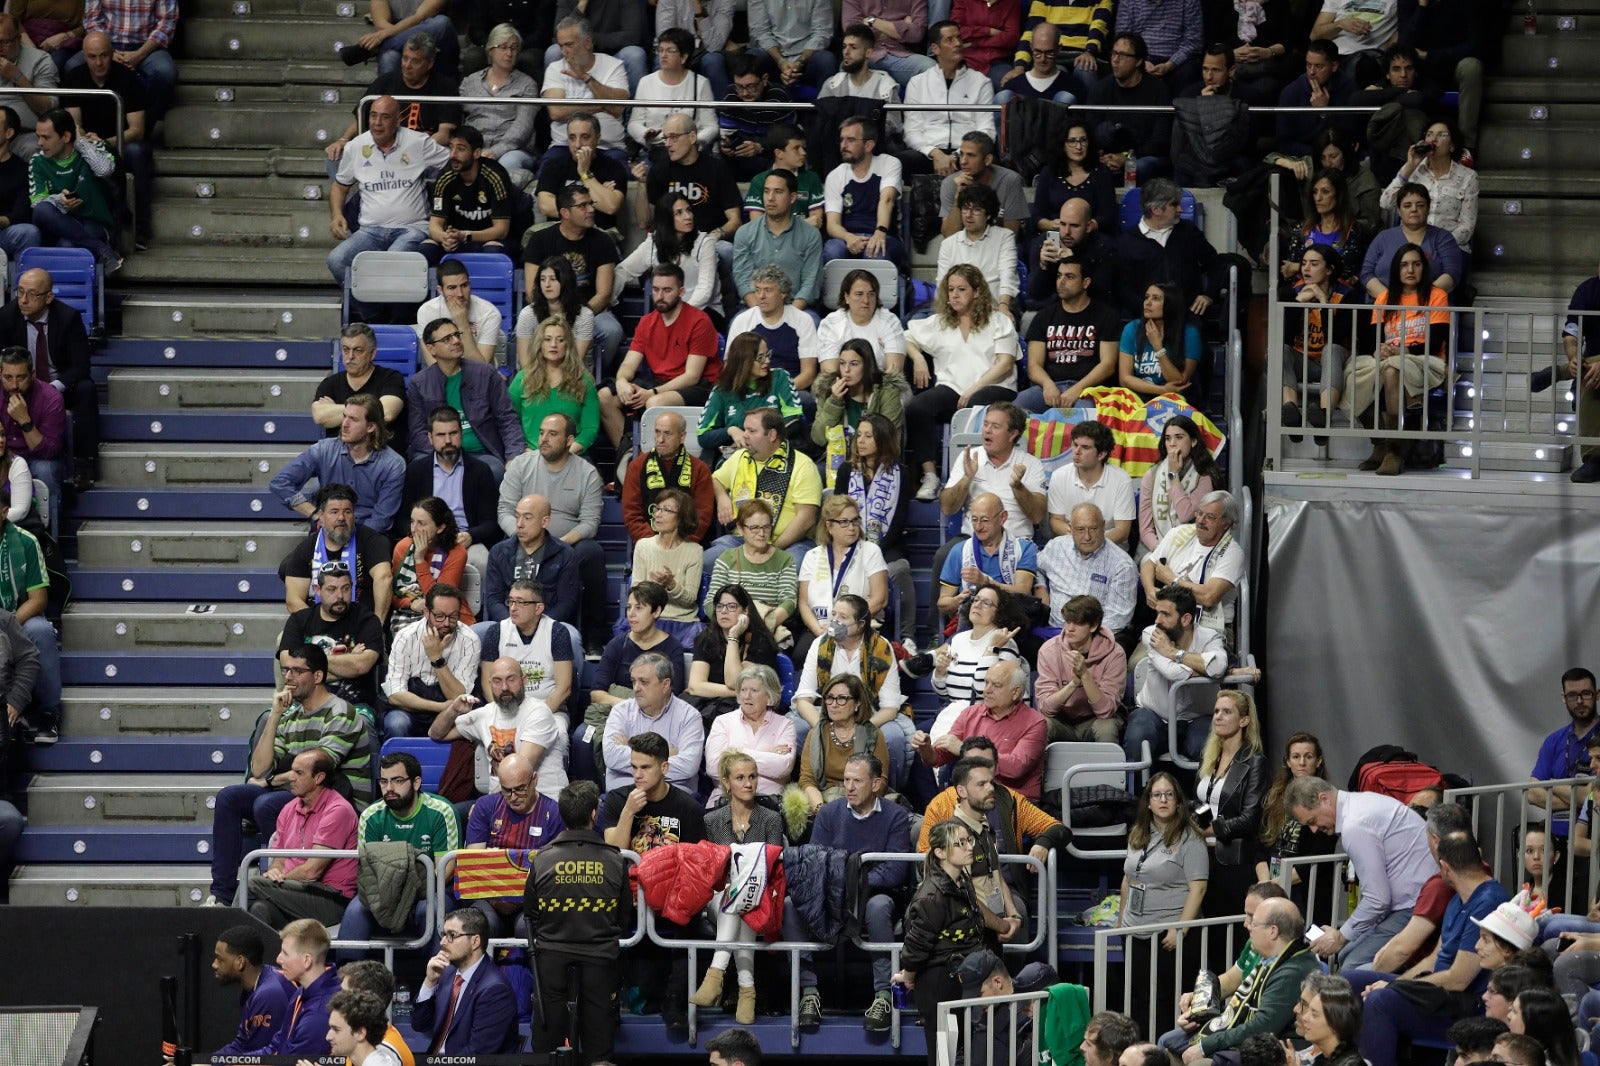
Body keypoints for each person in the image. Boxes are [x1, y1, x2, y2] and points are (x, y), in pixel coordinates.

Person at [206, 645, 371, 906]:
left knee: (266, 803)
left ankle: (279, 888)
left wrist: (272, 780)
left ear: (318, 676)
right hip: (298, 793)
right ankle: (221, 895)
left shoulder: (341, 712)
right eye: (286, 670)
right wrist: (274, 715)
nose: (289, 677)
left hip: (335, 801)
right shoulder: (290, 716)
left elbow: (318, 769)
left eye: (297, 671)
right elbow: (260, 768)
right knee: (229, 797)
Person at [1344, 831, 1514, 1066]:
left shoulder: (1489, 901)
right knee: (1350, 981)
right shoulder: (1457, 900)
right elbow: (1433, 959)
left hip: (1465, 1004)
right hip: (1438, 993)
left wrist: (1396, 985)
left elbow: (1459, 979)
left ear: (1445, 867)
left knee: (1380, 1001)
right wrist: (1399, 982)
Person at [784, 751, 911, 1031]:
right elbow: (816, 863)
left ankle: (883, 995)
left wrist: (854, 885)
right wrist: (843, 886)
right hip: (833, 892)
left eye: (857, 781)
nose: (849, 787)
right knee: (791, 905)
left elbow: (895, 871)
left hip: (877, 892)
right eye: (846, 780)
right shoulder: (829, 812)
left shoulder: (897, 816)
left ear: (876, 784)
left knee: (878, 908)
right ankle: (808, 992)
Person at [526, 780, 631, 1066]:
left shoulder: (543, 859)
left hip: (550, 959)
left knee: (547, 1051)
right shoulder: (615, 860)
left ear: (562, 815)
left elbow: (530, 913)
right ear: (594, 814)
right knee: (600, 1053)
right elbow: (624, 918)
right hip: (601, 959)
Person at [1286, 775, 1436, 968]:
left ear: (1325, 799)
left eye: (1313, 820)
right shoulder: (1360, 803)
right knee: (1345, 955)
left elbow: (1377, 899)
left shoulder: (1354, 826)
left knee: (1351, 967)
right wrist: (1343, 937)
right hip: (1410, 900)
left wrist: (1340, 937)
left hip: (1416, 904)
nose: (1314, 830)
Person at [495, 413, 608, 655]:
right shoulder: (521, 465)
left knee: (592, 552)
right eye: (542, 432)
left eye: (553, 434)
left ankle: (593, 639)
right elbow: (504, 509)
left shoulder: (587, 473)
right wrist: (521, 534)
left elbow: (590, 522)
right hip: (521, 539)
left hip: (565, 546)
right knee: (500, 550)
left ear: (569, 440)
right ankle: (507, 627)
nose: (544, 439)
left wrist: (557, 544)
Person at [905, 267, 1023, 498]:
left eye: (961, 289)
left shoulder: (998, 321)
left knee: (977, 405)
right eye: (950, 290)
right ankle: (930, 476)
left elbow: (1005, 364)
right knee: (916, 408)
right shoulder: (940, 323)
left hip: (996, 388)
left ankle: (974, 475)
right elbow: (906, 336)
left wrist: (973, 388)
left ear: (977, 292)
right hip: (953, 388)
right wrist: (918, 357)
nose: (954, 296)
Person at [893, 819, 1003, 1064]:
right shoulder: (932, 895)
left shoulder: (962, 882)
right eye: (960, 843)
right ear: (940, 852)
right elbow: (916, 947)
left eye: (969, 840)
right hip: (939, 983)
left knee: (965, 1054)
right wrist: (908, 976)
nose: (968, 847)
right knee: (943, 1057)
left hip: (961, 979)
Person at [1158, 896, 1317, 1063]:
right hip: (1251, 1038)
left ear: (1273, 931)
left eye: (1254, 923)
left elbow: (1262, 1026)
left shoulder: (1293, 971)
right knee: (1166, 1043)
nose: (1246, 925)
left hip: (1271, 1050)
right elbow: (1230, 981)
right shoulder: (1273, 957)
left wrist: (1207, 1045)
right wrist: (1198, 1004)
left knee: (1198, 1062)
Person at [694, 749, 785, 1024]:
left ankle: (717, 975)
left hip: (759, 896)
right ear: (726, 782)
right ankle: (747, 991)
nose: (749, 784)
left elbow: (772, 867)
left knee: (739, 902)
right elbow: (709, 871)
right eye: (741, 778)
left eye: (753, 777)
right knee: (730, 900)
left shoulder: (771, 819)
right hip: (719, 897)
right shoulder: (711, 820)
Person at [325, 95, 451, 288]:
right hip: (369, 231)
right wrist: (336, 215)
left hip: (411, 229)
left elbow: (453, 164)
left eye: (384, 117)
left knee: (390, 263)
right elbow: (339, 186)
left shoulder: (417, 142)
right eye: (373, 116)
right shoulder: (356, 147)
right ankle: (370, 313)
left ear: (397, 119)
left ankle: (382, 311)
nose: (377, 123)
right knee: (336, 260)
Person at [339, 751, 460, 947]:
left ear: (416, 783)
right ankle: (347, 975)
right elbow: (366, 872)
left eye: (397, 781)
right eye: (383, 782)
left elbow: (444, 873)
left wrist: (406, 890)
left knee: (431, 911)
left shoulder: (442, 812)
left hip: (429, 891)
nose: (389, 788)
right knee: (355, 912)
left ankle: (435, 976)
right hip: (383, 890)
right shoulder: (371, 816)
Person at [1352, 242, 1452, 476]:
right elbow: (1372, 340)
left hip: (1427, 361)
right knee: (1353, 372)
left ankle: (1394, 449)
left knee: (1390, 371)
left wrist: (1399, 352)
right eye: (1404, 265)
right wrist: (1379, 351)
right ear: (1396, 270)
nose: (1410, 270)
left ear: (1423, 268)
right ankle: (1380, 443)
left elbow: (1435, 343)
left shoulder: (1436, 296)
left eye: (1416, 264)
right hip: (1390, 357)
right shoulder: (1385, 298)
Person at [1118, 773, 1209, 1028]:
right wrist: (1120, 922)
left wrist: (1180, 928)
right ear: (1148, 802)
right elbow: (1128, 879)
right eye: (1157, 795)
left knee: (1168, 1001)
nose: (1163, 800)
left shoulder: (1190, 838)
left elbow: (1198, 888)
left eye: (1169, 794)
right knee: (1140, 998)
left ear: (1178, 801)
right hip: (1135, 928)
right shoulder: (1138, 833)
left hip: (1170, 935)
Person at [599, 262, 721, 449]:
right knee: (605, 397)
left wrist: (652, 393)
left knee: (656, 402)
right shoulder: (647, 322)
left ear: (681, 292)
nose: (660, 296)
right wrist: (622, 381)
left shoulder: (699, 321)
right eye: (656, 290)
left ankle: (652, 462)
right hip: (660, 383)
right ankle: (629, 454)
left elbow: (692, 376)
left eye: (667, 290)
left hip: (699, 387)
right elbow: (628, 364)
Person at [244, 748, 359, 927]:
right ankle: (259, 955)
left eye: (299, 773)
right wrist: (275, 871)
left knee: (251, 885)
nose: (290, 777)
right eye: (292, 771)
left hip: (330, 899)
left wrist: (279, 880)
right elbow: (279, 861)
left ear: (318, 778)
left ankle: (225, 948)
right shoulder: (289, 809)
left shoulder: (338, 810)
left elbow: (312, 872)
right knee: (260, 908)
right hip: (295, 892)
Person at [521, 183, 624, 375]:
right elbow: (532, 292)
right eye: (583, 206)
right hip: (547, 310)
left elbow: (604, 294)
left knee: (612, 331)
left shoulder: (602, 240)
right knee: (527, 322)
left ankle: (594, 376)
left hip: (589, 311)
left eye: (591, 204)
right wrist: (554, 318)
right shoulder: (540, 240)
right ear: (565, 213)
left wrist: (575, 316)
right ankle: (537, 378)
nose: (591, 210)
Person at [1121, 583, 1228, 766]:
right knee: (1137, 737)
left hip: (1198, 718)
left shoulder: (1210, 637)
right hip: (1154, 715)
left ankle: (1203, 794)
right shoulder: (1152, 634)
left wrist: (1174, 653)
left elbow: (1218, 667)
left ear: (1185, 619)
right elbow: (1172, 672)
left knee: (1205, 747)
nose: (1157, 620)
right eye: (1157, 613)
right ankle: (1135, 794)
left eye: (1166, 614)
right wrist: (1205, 669)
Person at [432, 656, 568, 799]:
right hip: (501, 803)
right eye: (497, 681)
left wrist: (486, 806)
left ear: (524, 681)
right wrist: (453, 710)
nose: (504, 687)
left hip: (542, 800)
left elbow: (519, 772)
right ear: (490, 684)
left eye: (511, 679)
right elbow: (436, 733)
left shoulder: (539, 712)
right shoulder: (485, 714)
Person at [406, 318, 524, 480]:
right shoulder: (419, 383)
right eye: (447, 339)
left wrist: (513, 457)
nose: (455, 341)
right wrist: (442, 453)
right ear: (431, 349)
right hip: (437, 453)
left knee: (494, 471)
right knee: (419, 472)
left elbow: (507, 419)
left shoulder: (486, 374)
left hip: (482, 455)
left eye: (456, 335)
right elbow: (418, 431)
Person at [462, 754, 565, 938]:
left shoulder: (554, 813)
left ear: (534, 780)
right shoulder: (485, 807)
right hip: (489, 898)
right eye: (506, 790)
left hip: (533, 899)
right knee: (482, 925)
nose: (513, 797)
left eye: (520, 789)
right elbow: (474, 864)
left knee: (525, 927)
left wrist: (519, 899)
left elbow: (554, 872)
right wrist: (494, 897)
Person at [272, 395, 406, 535]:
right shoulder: (324, 450)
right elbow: (280, 483)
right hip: (327, 532)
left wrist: (350, 541)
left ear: (371, 427)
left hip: (367, 537)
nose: (344, 424)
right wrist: (315, 514)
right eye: (344, 416)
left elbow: (381, 520)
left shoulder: (393, 465)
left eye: (353, 419)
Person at [62, 34, 148, 253]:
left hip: (119, 141)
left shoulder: (127, 78)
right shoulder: (74, 77)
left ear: (112, 54)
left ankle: (138, 229)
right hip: (86, 143)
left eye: (103, 56)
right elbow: (74, 125)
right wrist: (84, 140)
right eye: (92, 57)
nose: (98, 63)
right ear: (84, 56)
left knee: (138, 152)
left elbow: (137, 130)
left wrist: (105, 143)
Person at [919, 657, 1048, 799]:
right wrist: (926, 749)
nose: (987, 690)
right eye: (986, 683)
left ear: (1015, 692)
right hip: (971, 798)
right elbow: (939, 758)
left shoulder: (1035, 723)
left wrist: (965, 750)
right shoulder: (970, 713)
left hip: (1013, 799)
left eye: (996, 685)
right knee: (938, 809)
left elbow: (1015, 768)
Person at [707, 406, 822, 564]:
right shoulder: (740, 457)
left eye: (752, 431)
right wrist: (722, 498)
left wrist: (771, 550)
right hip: (741, 540)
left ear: (772, 435)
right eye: (744, 429)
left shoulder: (802, 465)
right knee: (706, 561)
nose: (744, 435)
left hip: (788, 544)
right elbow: (715, 479)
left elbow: (806, 519)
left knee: (793, 566)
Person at [400, 405, 501, 576]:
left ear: (461, 435)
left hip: (465, 540)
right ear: (430, 438)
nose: (448, 440)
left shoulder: (480, 471)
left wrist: (471, 536)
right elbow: (402, 519)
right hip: (425, 540)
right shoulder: (416, 471)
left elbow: (491, 523)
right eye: (440, 435)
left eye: (453, 433)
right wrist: (421, 534)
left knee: (482, 561)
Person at [1195, 690, 1268, 918]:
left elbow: (1250, 819)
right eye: (1216, 711)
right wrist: (1196, 821)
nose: (1218, 716)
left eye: (1227, 712)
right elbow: (1203, 802)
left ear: (1244, 720)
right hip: (1202, 856)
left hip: (1234, 861)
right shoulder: (1209, 756)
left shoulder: (1255, 762)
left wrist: (1211, 829)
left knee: (1232, 933)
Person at [1017, 255, 1120, 414]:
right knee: (1012, 411)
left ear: (1085, 282)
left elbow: (1107, 366)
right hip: (1050, 387)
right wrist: (1047, 384)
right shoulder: (1044, 317)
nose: (1061, 281)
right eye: (1059, 276)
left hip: (1088, 391)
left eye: (1069, 277)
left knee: (1085, 418)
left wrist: (1078, 389)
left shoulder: (1105, 316)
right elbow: (1033, 365)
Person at [1139, 490, 1245, 646]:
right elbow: (1149, 563)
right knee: (1137, 664)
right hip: (1172, 622)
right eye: (1199, 513)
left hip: (1210, 628)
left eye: (1209, 517)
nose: (1201, 520)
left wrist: (1172, 580)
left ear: (1227, 523)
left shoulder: (1232, 553)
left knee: (1189, 666)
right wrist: (1149, 589)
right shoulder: (1180, 533)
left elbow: (1209, 597)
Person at [793, 495, 888, 666]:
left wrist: (848, 626)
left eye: (855, 521)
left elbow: (879, 599)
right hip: (820, 628)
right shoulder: (812, 556)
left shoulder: (870, 551)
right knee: (802, 655)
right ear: (829, 525)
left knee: (856, 657)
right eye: (844, 522)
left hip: (859, 626)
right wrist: (819, 630)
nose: (851, 527)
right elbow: (804, 603)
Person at [412, 907, 521, 1054]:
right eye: (443, 934)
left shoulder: (495, 990)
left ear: (475, 941)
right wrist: (430, 982)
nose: (443, 942)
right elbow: (420, 1025)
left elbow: (476, 1055)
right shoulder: (447, 973)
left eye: (452, 935)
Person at [278, 563, 385, 712]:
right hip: (302, 703)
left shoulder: (367, 620)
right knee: (267, 719)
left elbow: (361, 665)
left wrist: (307, 667)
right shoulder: (299, 620)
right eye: (332, 589)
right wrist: (348, 660)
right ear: (318, 590)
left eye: (345, 588)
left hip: (355, 706)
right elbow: (289, 666)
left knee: (363, 725)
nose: (340, 596)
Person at [278, 485, 394, 620]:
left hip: (362, 624)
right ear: (321, 515)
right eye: (334, 512)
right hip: (318, 625)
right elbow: (294, 600)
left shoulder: (372, 540)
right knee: (283, 639)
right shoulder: (307, 548)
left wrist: (376, 626)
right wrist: (318, 626)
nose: (341, 517)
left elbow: (384, 578)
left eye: (347, 511)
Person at [382, 581, 481, 737]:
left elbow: (458, 697)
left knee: (467, 722)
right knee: (396, 723)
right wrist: (440, 707)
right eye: (440, 616)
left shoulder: (470, 640)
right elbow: (395, 695)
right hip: (410, 711)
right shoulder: (405, 637)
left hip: (451, 714)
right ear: (427, 612)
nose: (447, 623)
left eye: (453, 617)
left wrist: (437, 658)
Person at [1279, 245, 1357, 436]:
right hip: (1304, 361)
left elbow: (1337, 337)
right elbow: (1283, 335)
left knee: (1330, 349)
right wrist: (1297, 303)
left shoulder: (1346, 294)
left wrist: (1324, 303)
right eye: (1304, 263)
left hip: (1338, 362)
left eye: (1314, 264)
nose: (1306, 269)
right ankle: (1291, 412)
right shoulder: (1293, 291)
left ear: (1329, 269)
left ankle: (1324, 415)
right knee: (1278, 350)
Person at [934, 494, 1039, 634]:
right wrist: (957, 601)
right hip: (971, 622)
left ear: (1002, 518)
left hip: (1009, 622)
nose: (978, 527)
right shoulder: (959, 551)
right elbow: (942, 603)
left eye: (984, 520)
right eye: (974, 520)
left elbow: (1023, 591)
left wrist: (985, 581)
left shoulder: (1023, 548)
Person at [30, 107, 118, 273]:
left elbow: (105, 170)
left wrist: (81, 143)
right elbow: (37, 203)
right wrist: (60, 201)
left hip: (94, 223)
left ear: (66, 136)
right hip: (59, 225)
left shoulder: (91, 148)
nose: (39, 143)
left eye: (46, 137)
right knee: (42, 209)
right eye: (38, 136)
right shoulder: (37, 161)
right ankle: (101, 248)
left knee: (68, 245)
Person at [600, 653, 704, 793]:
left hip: (672, 798)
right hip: (624, 794)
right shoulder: (621, 711)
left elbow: (688, 766)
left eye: (644, 682)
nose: (636, 688)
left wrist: (632, 750)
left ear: (665, 684)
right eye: (633, 681)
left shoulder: (689, 716)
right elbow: (612, 756)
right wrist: (667, 753)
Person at [903, 22, 996, 176]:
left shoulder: (981, 82)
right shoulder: (918, 83)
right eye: (950, 40)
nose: (958, 43)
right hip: (929, 152)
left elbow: (987, 130)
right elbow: (911, 131)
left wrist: (958, 155)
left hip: (967, 152)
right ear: (935, 48)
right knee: (899, 162)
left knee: (990, 163)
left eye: (959, 38)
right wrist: (935, 153)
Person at [475, 577, 575, 719]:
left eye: (521, 602)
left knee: (556, 737)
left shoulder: (557, 632)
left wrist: (536, 717)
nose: (513, 608)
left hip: (549, 711)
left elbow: (563, 689)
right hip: (504, 711)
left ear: (538, 608)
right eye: (511, 601)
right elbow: (487, 683)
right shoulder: (496, 632)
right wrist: (503, 715)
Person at [539, 16, 631, 167]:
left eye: (569, 45)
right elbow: (556, 112)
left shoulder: (613, 66)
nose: (564, 51)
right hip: (563, 147)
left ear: (587, 42)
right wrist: (599, 105)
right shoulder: (555, 69)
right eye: (561, 46)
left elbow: (617, 107)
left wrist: (585, 77)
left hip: (608, 148)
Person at [1034, 593, 1127, 742]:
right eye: (1068, 622)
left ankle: (1109, 766)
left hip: (1096, 720)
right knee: (1041, 725)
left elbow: (1105, 711)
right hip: (1062, 721)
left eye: (1077, 623)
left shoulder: (1115, 654)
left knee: (1107, 727)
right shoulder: (1049, 650)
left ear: (1093, 626)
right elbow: (1046, 708)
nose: (1069, 628)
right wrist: (1073, 684)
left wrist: (1085, 675)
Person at [614, 190, 721, 320]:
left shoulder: (705, 243)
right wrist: (607, 301)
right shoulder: (653, 242)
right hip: (667, 312)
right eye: (679, 213)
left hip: (703, 311)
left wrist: (678, 315)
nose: (688, 216)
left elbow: (705, 290)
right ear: (666, 218)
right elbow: (623, 271)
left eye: (689, 210)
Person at [636, 112, 742, 239]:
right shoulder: (659, 169)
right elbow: (644, 222)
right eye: (665, 138)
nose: (667, 144)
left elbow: (735, 221)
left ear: (692, 137)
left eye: (674, 137)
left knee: (726, 250)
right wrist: (642, 184)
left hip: (710, 241)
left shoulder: (717, 168)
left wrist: (710, 238)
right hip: (671, 243)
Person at [420, 129, 513, 272]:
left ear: (476, 153)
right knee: (426, 249)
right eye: (451, 147)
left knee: (493, 252)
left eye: (461, 149)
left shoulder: (495, 177)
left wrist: (466, 236)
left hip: (488, 239)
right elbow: (435, 225)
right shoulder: (445, 177)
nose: (453, 155)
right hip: (457, 239)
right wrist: (445, 238)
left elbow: (501, 230)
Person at [482, 494, 580, 630]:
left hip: (549, 626)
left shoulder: (565, 554)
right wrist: (511, 625)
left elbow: (566, 602)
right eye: (517, 517)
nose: (519, 524)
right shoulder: (499, 552)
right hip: (507, 625)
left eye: (527, 518)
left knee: (572, 637)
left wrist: (539, 627)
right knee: (478, 633)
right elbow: (493, 599)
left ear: (544, 522)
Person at [1256, 733, 1341, 890]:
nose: (1302, 763)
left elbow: (1317, 858)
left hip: (1307, 890)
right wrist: (1265, 883)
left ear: (1318, 761)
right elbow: (1260, 846)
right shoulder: (1273, 796)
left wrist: (1271, 886)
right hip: (1271, 885)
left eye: (1308, 757)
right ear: (1288, 762)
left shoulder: (1327, 801)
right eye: (1296, 757)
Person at [725, 266, 819, 408]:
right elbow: (730, 367)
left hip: (789, 389)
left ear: (783, 293)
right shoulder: (742, 321)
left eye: (768, 290)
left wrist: (776, 392)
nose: (761, 296)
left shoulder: (802, 320)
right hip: (750, 389)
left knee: (805, 400)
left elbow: (808, 374)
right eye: (757, 290)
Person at [688, 582, 780, 725]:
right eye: (719, 606)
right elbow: (695, 686)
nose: (724, 611)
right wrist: (740, 693)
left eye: (731, 606)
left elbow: (734, 681)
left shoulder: (760, 641)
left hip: (745, 708)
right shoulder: (705, 638)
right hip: (708, 704)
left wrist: (733, 637)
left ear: (745, 611)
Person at [798, 672, 891, 813]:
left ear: (857, 703)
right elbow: (807, 780)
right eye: (830, 698)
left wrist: (856, 808)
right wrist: (821, 809)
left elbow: (880, 781)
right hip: (824, 800)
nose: (834, 704)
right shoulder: (816, 734)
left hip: (863, 803)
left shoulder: (874, 735)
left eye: (841, 699)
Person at [698, 331, 804, 454]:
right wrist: (731, 430)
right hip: (737, 456)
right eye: (760, 358)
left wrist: (757, 442)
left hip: (776, 452)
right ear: (743, 361)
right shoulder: (722, 391)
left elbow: (793, 423)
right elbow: (703, 436)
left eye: (767, 355)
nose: (767, 361)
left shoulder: (780, 377)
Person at [1085, 34, 1172, 184]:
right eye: (1114, 53)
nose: (1115, 60)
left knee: (1141, 166)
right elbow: (1091, 131)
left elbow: (1160, 141)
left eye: (1123, 55)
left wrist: (1126, 157)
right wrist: (1105, 158)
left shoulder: (1158, 90)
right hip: (1108, 157)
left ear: (1138, 61)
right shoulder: (1100, 89)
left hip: (1145, 157)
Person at [701, 505, 798, 637]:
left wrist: (762, 625)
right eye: (754, 528)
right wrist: (732, 626)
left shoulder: (784, 560)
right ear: (741, 529)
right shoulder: (727, 559)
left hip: (766, 630)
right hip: (728, 629)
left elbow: (789, 602)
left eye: (766, 527)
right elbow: (710, 601)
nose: (762, 533)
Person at [734, 169, 823, 313]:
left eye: (778, 192)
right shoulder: (745, 233)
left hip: (796, 307)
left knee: (813, 323)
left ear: (792, 197)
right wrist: (761, 313)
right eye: (766, 191)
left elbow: (810, 283)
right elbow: (743, 281)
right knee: (737, 327)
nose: (770, 198)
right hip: (755, 307)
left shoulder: (811, 235)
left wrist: (788, 316)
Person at [822, 115, 903, 268]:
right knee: (833, 251)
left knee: (875, 252)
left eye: (850, 140)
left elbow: (887, 200)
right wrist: (848, 237)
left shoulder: (889, 163)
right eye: (842, 140)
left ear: (868, 145)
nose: (843, 145)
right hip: (847, 236)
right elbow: (832, 225)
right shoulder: (835, 175)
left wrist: (880, 231)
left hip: (884, 234)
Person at [704, 667, 796, 803]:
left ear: (769, 696)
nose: (746, 696)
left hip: (769, 801)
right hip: (727, 799)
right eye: (743, 690)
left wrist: (734, 753)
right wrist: (766, 754)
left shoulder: (785, 725)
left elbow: (783, 767)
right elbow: (713, 767)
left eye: (754, 691)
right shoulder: (723, 722)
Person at [621, 409, 714, 542]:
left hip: (687, 545)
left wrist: (679, 544)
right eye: (657, 432)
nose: (660, 439)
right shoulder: (637, 466)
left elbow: (702, 516)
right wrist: (655, 544)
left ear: (682, 437)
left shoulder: (700, 469)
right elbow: (632, 515)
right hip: (648, 545)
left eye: (668, 434)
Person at [315, 324, 407, 456]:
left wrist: (335, 410)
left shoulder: (391, 378)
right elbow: (320, 416)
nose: (350, 356)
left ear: (372, 353)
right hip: (340, 460)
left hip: (382, 458)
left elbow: (387, 413)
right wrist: (370, 412)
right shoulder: (330, 383)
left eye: (358, 350)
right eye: (346, 350)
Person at [1358, 182, 1463, 299]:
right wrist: (1389, 299)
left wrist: (1420, 299)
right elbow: (1366, 274)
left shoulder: (1443, 238)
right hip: (1386, 306)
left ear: (1428, 208)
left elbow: (1452, 273)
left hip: (1431, 308)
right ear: (1399, 211)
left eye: (1420, 205)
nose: (1414, 209)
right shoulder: (1383, 238)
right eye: (1407, 205)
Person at [458, 23, 537, 174]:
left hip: (512, 150)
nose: (509, 53)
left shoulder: (527, 85)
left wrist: (495, 151)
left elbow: (522, 128)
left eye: (514, 48)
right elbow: (460, 120)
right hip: (475, 147)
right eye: (503, 47)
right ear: (490, 50)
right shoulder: (470, 82)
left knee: (508, 163)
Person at [1138, 416, 1220, 558]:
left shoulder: (1204, 476)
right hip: (1156, 549)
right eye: (1168, 438)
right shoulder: (1152, 475)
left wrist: (1173, 475)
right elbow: (1145, 529)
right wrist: (1161, 550)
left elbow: (1185, 515)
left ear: (1193, 441)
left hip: (1191, 548)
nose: (1173, 444)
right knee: (1147, 563)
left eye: (1179, 437)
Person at [388, 496, 473, 632]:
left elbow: (441, 599)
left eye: (421, 523)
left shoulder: (457, 553)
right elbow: (393, 594)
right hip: (408, 614)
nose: (414, 529)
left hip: (447, 616)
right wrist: (411, 603)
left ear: (440, 527)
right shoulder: (402, 547)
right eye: (412, 522)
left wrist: (420, 560)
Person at [936, 183, 1020, 319]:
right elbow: (942, 284)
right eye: (965, 209)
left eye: (976, 210)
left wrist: (1003, 305)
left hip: (992, 308)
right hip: (955, 310)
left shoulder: (1004, 237)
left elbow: (1008, 276)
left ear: (988, 214)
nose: (968, 215)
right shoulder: (948, 244)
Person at [534, 111, 628, 232]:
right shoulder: (553, 165)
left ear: (598, 139)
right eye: (572, 138)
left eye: (585, 137)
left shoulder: (613, 166)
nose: (578, 145)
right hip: (560, 235)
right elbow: (545, 206)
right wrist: (595, 200)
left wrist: (585, 174)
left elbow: (611, 207)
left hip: (600, 236)